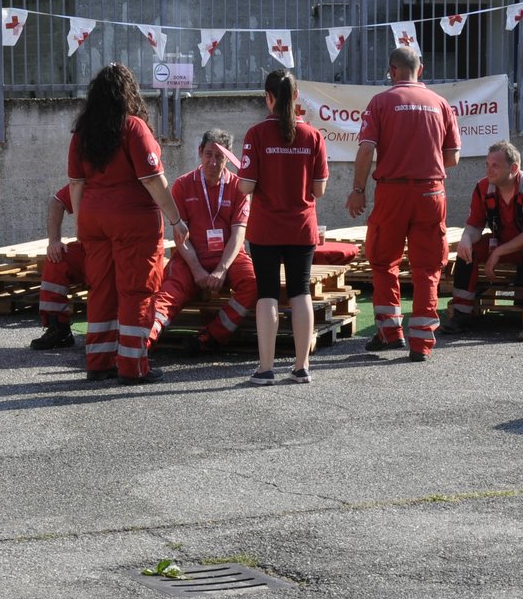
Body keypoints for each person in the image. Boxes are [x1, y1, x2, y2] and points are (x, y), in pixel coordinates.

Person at [67, 63, 189, 385]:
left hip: (94, 219)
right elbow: (153, 180)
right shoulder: (133, 127)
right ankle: (132, 366)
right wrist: (176, 219)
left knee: (101, 289)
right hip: (133, 220)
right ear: (128, 93)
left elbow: (76, 184)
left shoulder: (82, 133)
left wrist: (82, 224)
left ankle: (98, 362)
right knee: (137, 290)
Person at [346, 45, 460, 363]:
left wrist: (358, 189)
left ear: (392, 70)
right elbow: (452, 158)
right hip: (431, 192)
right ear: (419, 70)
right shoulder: (440, 104)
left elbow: (366, 151)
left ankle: (389, 333)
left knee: (383, 262)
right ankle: (421, 343)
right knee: (427, 268)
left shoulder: (381, 102)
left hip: (392, 192)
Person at [237, 70, 328, 385]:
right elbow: (319, 190)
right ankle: (301, 367)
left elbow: (246, 186)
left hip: (266, 228)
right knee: (301, 292)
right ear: (297, 96)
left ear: (269, 97)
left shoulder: (256, 134)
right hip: (302, 226)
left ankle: (265, 368)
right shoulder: (313, 136)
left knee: (268, 294)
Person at [442, 140, 523, 341]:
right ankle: (462, 313)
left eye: (495, 165)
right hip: (508, 241)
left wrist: (498, 253)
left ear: (514, 168)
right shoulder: (483, 187)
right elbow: (475, 226)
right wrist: (466, 239)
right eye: (487, 164)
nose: (489, 170)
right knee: (468, 250)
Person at [146, 130, 258, 355]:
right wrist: (196, 269)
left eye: (219, 157)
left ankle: (212, 336)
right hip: (191, 258)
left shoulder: (240, 187)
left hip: (228, 257)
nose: (213, 162)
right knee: (169, 293)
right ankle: (143, 345)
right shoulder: (182, 185)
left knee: (254, 284)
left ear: (228, 158)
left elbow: (238, 235)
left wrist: (222, 269)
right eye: (208, 154)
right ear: (199, 153)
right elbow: (180, 235)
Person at [30, 184, 86, 350]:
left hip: (117, 253)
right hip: (89, 250)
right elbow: (57, 201)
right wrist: (54, 241)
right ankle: (58, 328)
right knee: (56, 259)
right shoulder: (87, 178)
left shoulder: (130, 177)